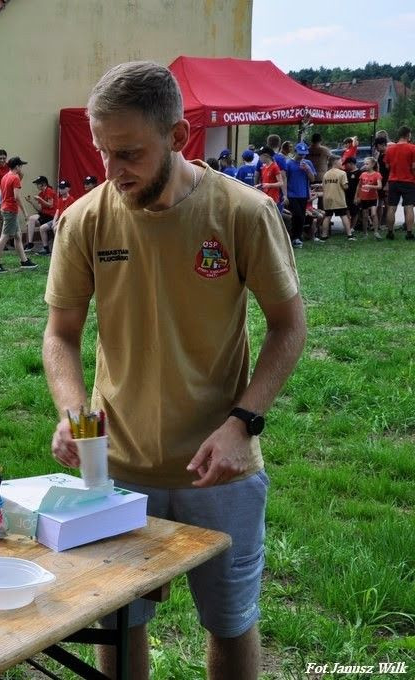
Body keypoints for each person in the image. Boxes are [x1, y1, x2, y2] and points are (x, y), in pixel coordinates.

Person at [44, 61, 306, 680]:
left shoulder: (243, 213)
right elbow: (60, 334)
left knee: (230, 621)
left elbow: (289, 326)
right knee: (120, 621)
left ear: (179, 136)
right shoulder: (85, 219)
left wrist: (243, 424)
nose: (113, 170)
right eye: (104, 152)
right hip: (118, 467)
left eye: (129, 153)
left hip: (221, 468)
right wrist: (72, 410)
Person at [0, 157, 37, 273]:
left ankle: (24, 261)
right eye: (21, 166)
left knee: (18, 236)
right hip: (10, 211)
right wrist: (25, 212)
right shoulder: (15, 178)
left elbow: (1, 194)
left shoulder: (5, 177)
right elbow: (16, 197)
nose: (21, 168)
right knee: (4, 236)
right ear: (17, 166)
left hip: (5, 209)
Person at [383, 125, 415, 240]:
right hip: (408, 181)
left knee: (391, 207)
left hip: (393, 181)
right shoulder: (412, 148)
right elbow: (414, 167)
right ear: (408, 135)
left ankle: (390, 232)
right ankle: (409, 233)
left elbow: (387, 166)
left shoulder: (390, 149)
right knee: (409, 206)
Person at [284, 141, 315, 247]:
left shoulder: (308, 163)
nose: (302, 156)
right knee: (296, 215)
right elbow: (285, 179)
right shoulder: (288, 163)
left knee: (302, 216)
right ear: (295, 152)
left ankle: (298, 237)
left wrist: (307, 169)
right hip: (292, 194)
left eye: (304, 154)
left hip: (303, 194)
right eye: (300, 154)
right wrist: (285, 194)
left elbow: (312, 179)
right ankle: (294, 237)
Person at [316, 156, 352, 241]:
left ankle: (324, 235)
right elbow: (345, 186)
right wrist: (347, 186)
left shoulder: (326, 174)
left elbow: (324, 187)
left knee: (327, 216)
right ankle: (349, 235)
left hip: (327, 199)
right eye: (340, 161)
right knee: (343, 215)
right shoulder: (342, 173)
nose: (341, 163)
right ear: (335, 162)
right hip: (338, 198)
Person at [37, 179, 76, 255]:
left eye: (63, 188)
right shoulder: (60, 199)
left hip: (66, 220)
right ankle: (46, 248)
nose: (61, 190)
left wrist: (56, 222)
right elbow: (57, 212)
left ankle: (59, 249)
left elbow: (68, 215)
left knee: (55, 228)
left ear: (68, 189)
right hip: (58, 220)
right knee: (42, 228)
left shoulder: (71, 200)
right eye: (60, 188)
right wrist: (54, 222)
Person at [23, 175, 56, 250]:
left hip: (51, 215)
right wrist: (31, 202)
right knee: (30, 220)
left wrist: (40, 199)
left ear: (43, 184)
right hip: (44, 215)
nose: (37, 185)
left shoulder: (49, 191)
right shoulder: (40, 194)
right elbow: (39, 209)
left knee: (31, 220)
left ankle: (30, 244)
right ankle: (30, 243)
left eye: (38, 183)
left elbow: (50, 205)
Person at [357, 156, 383, 238]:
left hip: (373, 198)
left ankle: (376, 232)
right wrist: (357, 196)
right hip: (364, 198)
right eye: (364, 164)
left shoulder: (377, 174)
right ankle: (365, 233)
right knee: (365, 216)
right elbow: (359, 186)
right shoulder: (363, 174)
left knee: (373, 214)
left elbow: (380, 186)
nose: (365, 165)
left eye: (367, 164)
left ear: (373, 165)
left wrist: (370, 186)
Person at [342, 156, 362, 233]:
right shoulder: (345, 173)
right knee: (346, 211)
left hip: (355, 195)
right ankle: (348, 226)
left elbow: (360, 186)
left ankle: (352, 227)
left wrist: (358, 196)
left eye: (346, 164)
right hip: (346, 196)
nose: (345, 166)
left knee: (355, 212)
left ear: (351, 163)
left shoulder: (359, 173)